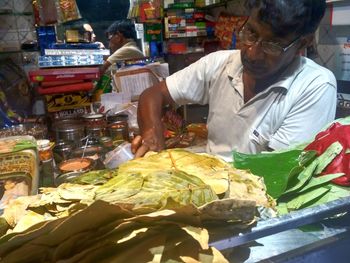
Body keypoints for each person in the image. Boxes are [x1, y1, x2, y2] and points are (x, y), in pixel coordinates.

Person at [131, 0, 337, 162]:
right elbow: (153, 94)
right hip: (210, 190)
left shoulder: (314, 86)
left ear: (303, 42)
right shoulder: (220, 64)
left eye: (273, 45)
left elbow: (275, 174)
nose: (253, 53)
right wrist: (151, 132)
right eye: (251, 33)